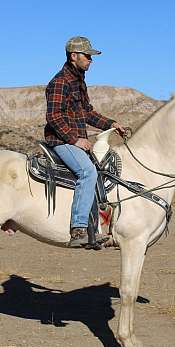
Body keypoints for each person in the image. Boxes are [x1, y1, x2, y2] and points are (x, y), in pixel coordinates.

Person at [44, 36, 125, 247]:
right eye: (87, 56)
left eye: (90, 56)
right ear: (74, 56)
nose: (91, 59)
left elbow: (87, 113)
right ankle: (78, 230)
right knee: (87, 172)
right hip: (60, 140)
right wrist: (75, 140)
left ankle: (97, 229)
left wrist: (111, 124)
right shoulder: (60, 82)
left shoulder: (79, 81)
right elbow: (53, 117)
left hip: (74, 140)